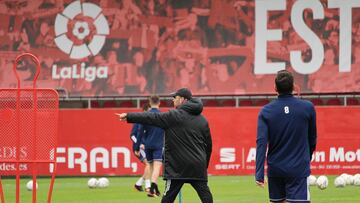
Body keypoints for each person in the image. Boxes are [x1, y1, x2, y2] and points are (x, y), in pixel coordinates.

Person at [117, 88, 213, 203]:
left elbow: (151, 117)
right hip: (197, 166)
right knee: (206, 196)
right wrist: (204, 165)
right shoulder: (203, 120)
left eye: (175, 98)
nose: (173, 100)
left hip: (178, 168)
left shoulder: (173, 116)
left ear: (182, 99)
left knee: (168, 198)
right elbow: (208, 146)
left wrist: (129, 116)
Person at [255, 70, 317, 203]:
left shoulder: (266, 111)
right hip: (298, 168)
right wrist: (307, 157)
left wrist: (259, 174)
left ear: (275, 88)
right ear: (294, 86)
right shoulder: (308, 107)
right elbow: (312, 138)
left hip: (275, 169)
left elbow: (261, 143)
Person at [141, 95, 165, 197]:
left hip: (148, 144)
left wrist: (141, 143)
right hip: (158, 144)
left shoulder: (146, 115)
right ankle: (152, 188)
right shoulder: (162, 116)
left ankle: (155, 188)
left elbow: (141, 131)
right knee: (157, 166)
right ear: (159, 103)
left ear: (150, 103)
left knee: (150, 166)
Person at [131, 103, 151, 192]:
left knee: (150, 166)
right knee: (148, 164)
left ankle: (138, 184)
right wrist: (138, 146)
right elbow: (132, 135)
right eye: (150, 111)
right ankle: (148, 186)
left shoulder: (150, 121)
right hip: (139, 148)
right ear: (144, 110)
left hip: (147, 147)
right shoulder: (138, 120)